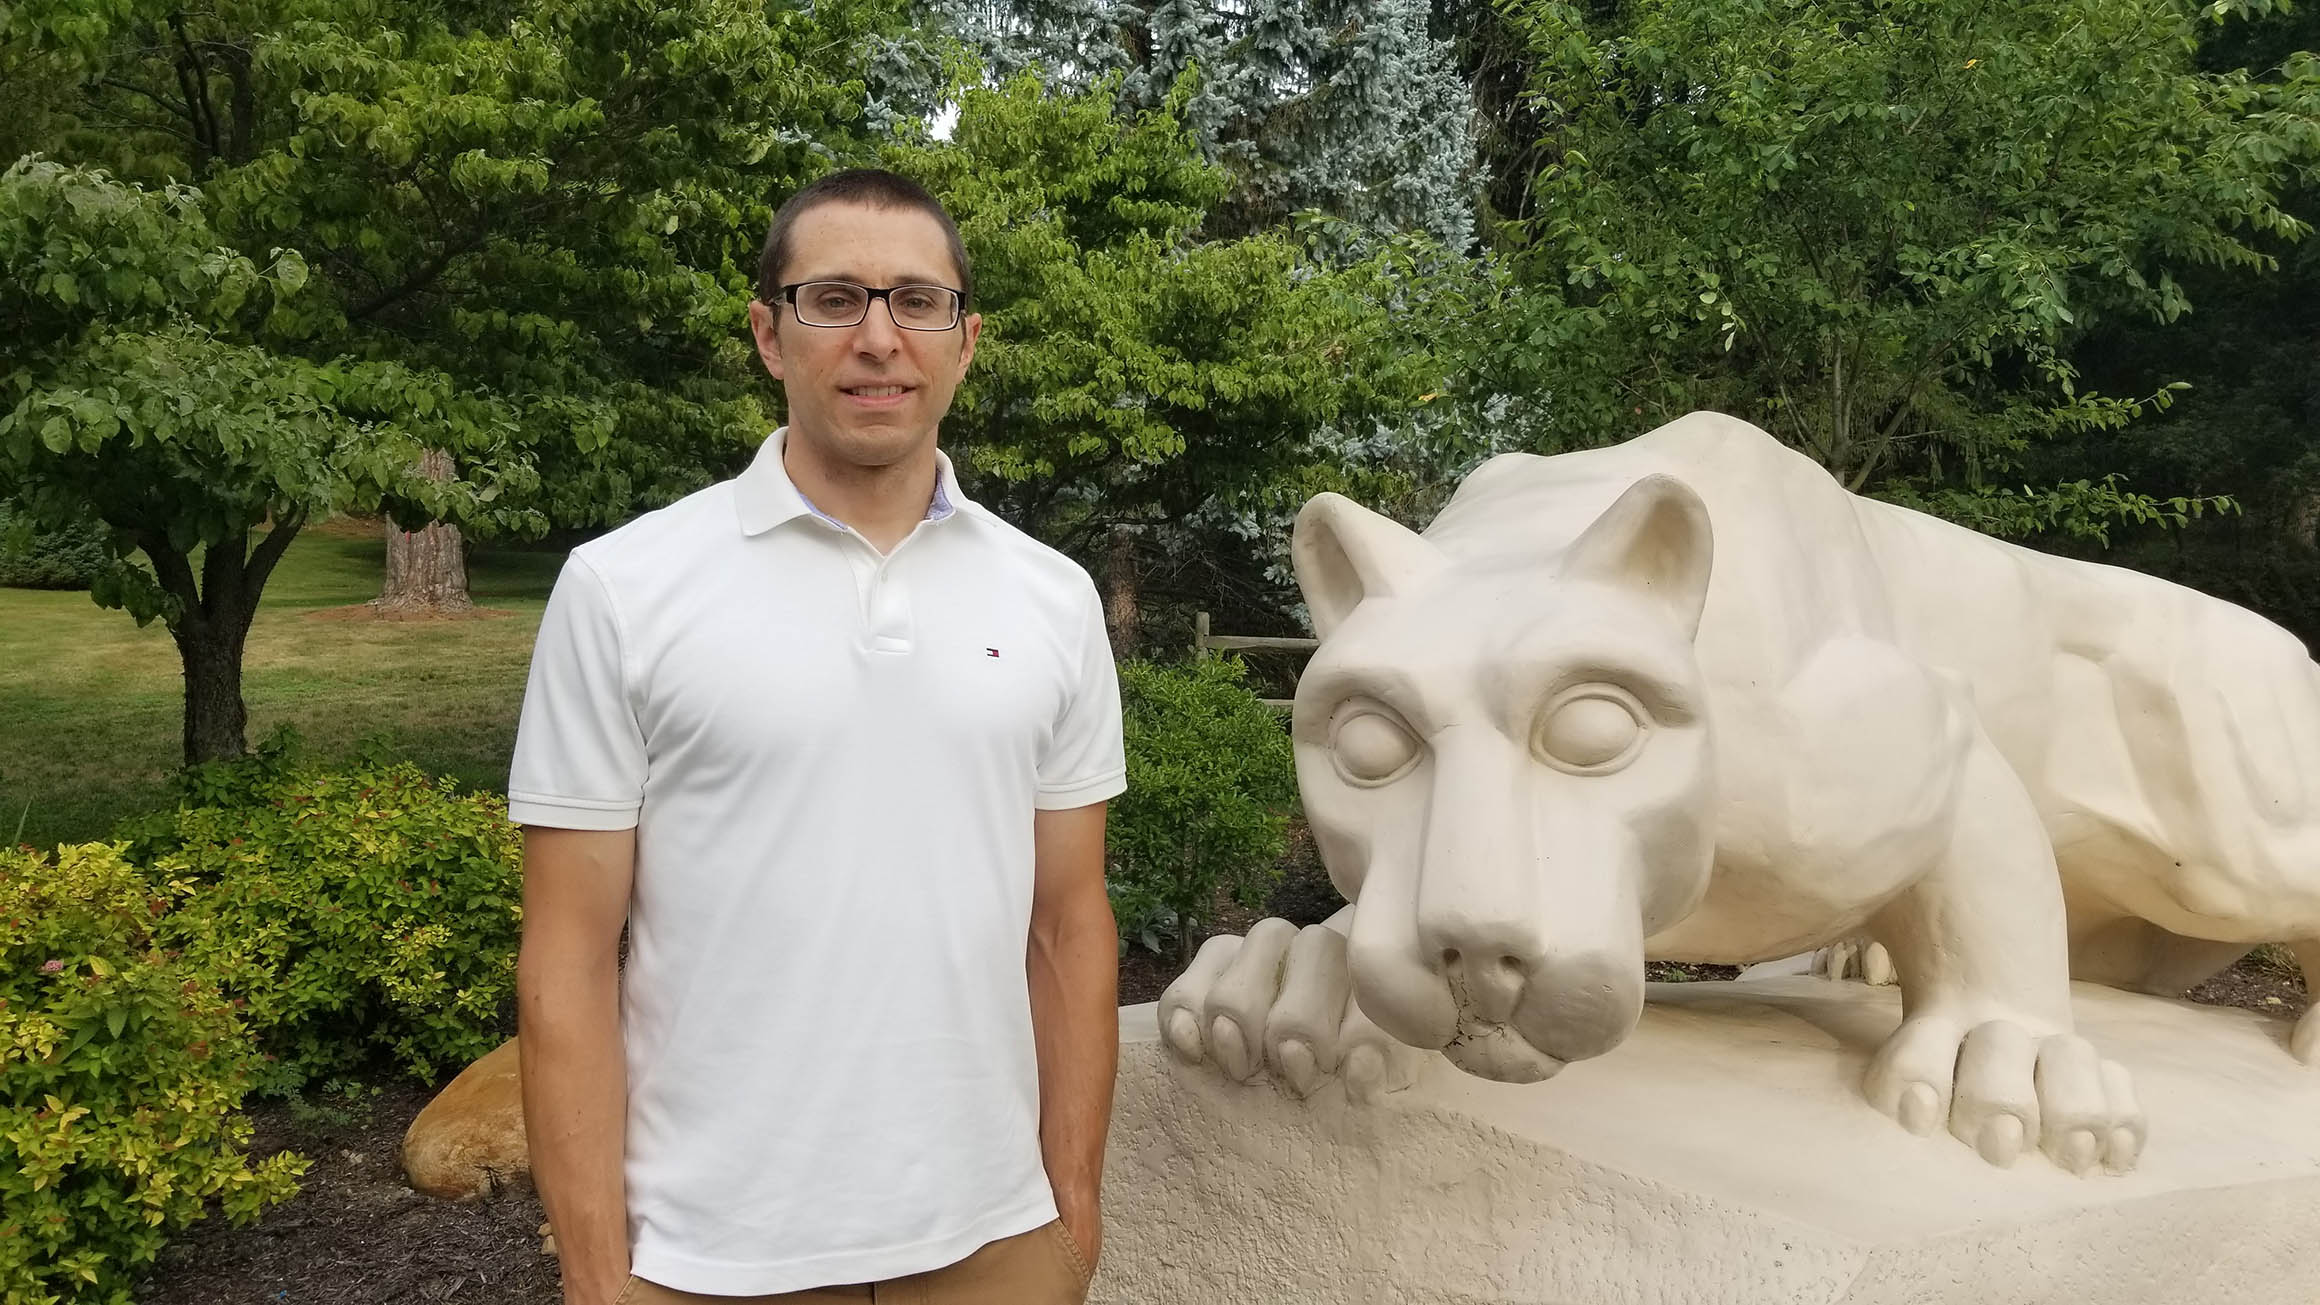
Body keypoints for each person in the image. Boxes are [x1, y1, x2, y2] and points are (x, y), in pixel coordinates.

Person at [509, 168, 1126, 1305]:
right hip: (707, 1256)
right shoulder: (625, 589)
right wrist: (597, 1279)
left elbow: (1067, 922)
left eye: (917, 302)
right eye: (833, 299)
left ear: (965, 340)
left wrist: (1073, 1211)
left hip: (995, 1244)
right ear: (767, 332)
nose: (879, 339)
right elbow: (565, 956)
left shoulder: (1052, 597)